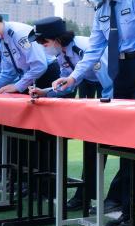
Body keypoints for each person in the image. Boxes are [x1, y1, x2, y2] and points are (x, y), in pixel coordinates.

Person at [52, 0, 135, 226]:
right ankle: (128, 207)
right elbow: (93, 50)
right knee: (125, 143)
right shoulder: (101, 10)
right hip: (118, 72)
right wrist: (73, 77)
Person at [28, 15, 115, 212]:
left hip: (106, 88)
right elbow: (67, 84)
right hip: (88, 85)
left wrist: (106, 107)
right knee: (90, 144)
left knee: (100, 144)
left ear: (56, 38)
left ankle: (93, 195)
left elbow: (108, 80)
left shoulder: (82, 48)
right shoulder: (61, 52)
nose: (43, 47)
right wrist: (46, 92)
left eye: (44, 42)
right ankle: (84, 195)